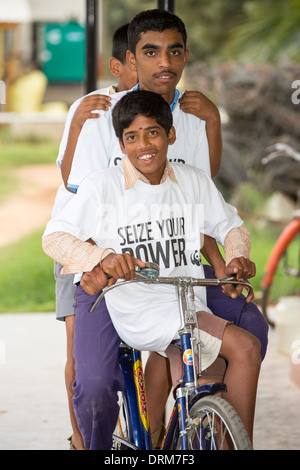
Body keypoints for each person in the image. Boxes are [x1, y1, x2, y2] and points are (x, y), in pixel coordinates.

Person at [48, 9, 267, 448]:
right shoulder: (98, 116)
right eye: (150, 52)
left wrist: (228, 260)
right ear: (130, 59)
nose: (144, 145)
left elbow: (208, 213)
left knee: (248, 333)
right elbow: (70, 212)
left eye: (155, 134)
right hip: (112, 275)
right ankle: (91, 442)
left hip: (176, 280)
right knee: (94, 381)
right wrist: (99, 262)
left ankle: (214, 426)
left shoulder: (191, 116)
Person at [52, 23, 138, 450]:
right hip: (80, 244)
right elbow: (69, 179)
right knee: (79, 349)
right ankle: (82, 441)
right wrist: (80, 122)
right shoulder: (90, 107)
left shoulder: (158, 110)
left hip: (133, 243)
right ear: (118, 65)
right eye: (140, 62)